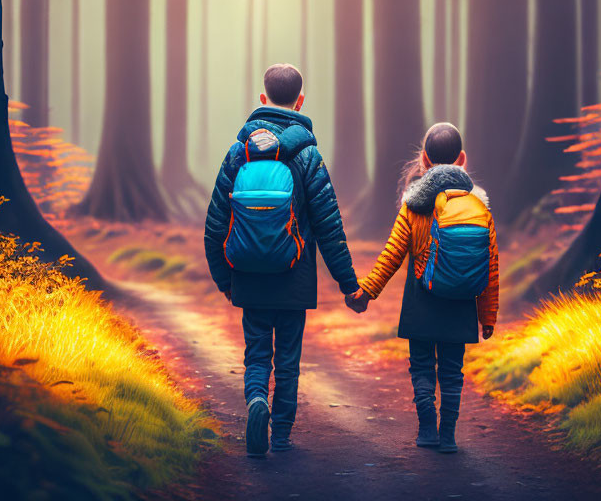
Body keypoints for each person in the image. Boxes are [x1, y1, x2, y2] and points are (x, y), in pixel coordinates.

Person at [204, 63, 359, 458]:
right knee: (288, 358)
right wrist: (349, 285)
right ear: (300, 100)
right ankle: (283, 435)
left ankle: (257, 400)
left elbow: (215, 223)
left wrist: (226, 280)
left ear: (262, 99)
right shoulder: (308, 156)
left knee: (257, 352)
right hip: (295, 278)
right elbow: (329, 227)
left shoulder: (238, 153)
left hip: (250, 277)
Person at [346, 122, 499, 454]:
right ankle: (449, 436)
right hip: (461, 302)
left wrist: (366, 292)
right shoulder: (478, 208)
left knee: (421, 365)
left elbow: (392, 253)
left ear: (425, 161)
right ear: (462, 159)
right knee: (452, 370)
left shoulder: (413, 205)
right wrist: (488, 316)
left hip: (421, 299)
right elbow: (491, 266)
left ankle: (427, 429)